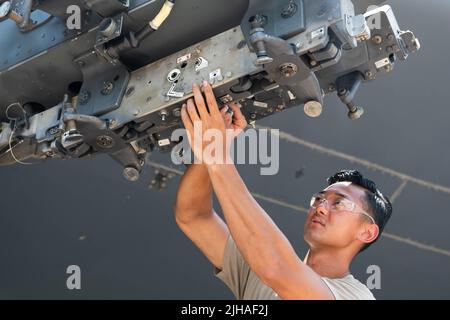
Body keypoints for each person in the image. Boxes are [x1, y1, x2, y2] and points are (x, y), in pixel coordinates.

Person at [173, 81, 393, 300]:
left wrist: (217, 155)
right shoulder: (259, 264)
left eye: (339, 203)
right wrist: (211, 148)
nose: (321, 208)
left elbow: (276, 268)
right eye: (319, 199)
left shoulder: (357, 296)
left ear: (367, 232)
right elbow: (193, 215)